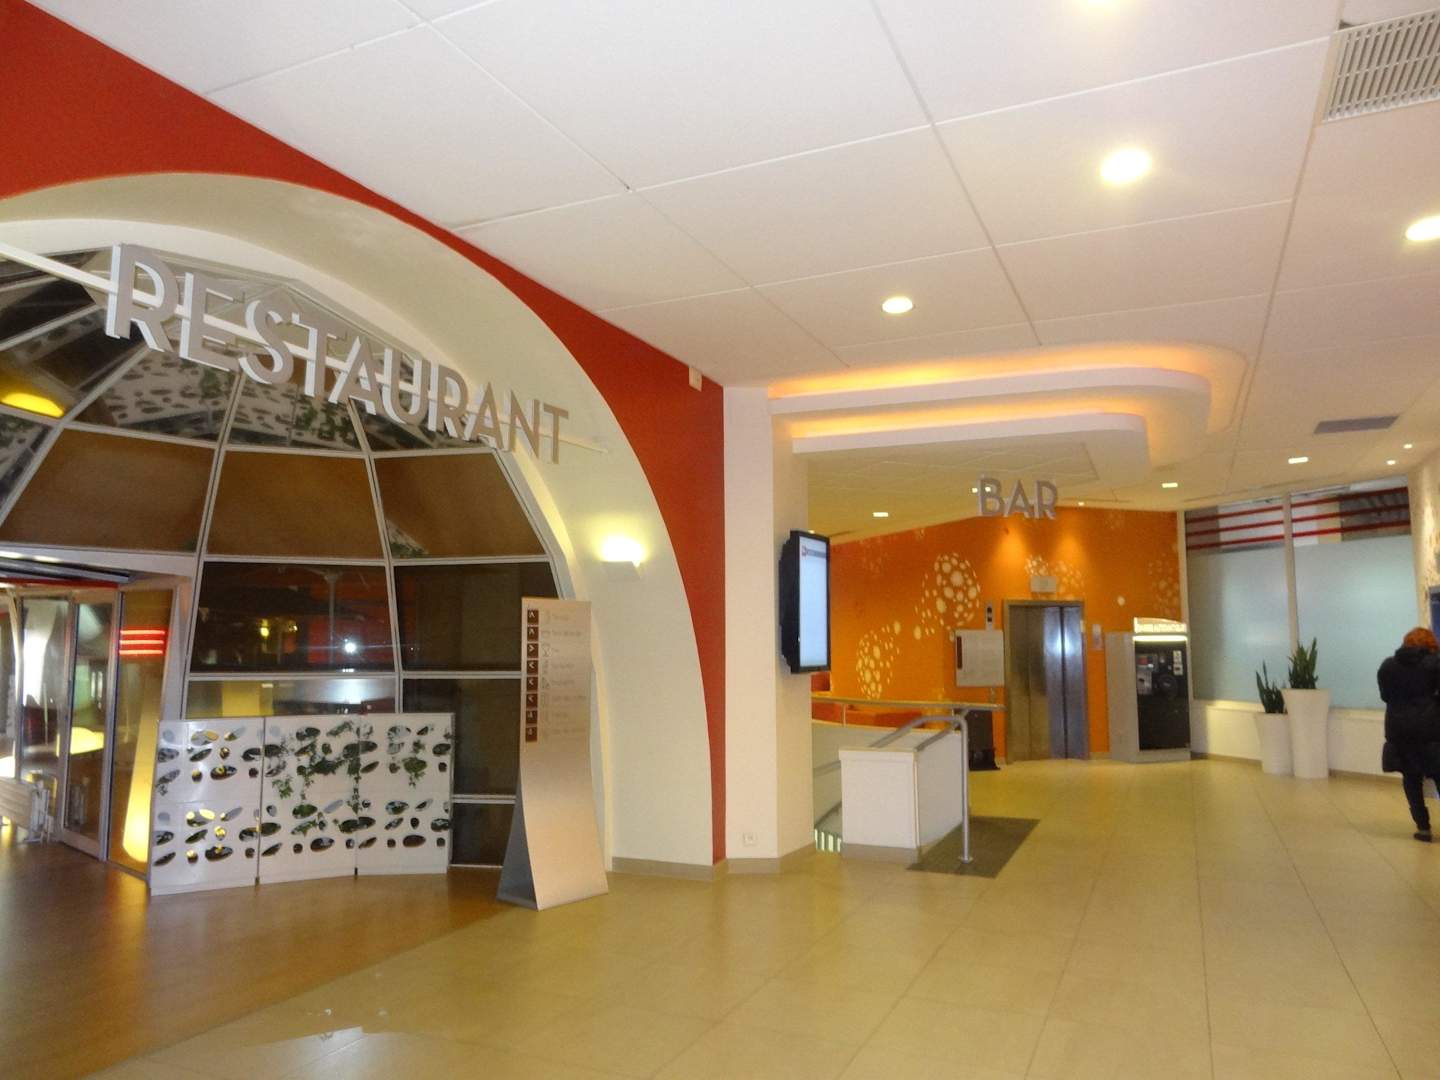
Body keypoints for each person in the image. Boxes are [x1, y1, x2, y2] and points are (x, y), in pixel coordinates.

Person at [1378, 627, 1440, 842]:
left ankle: (1423, 828)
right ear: (1430, 644)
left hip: (1400, 731)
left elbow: (1385, 696)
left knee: (1411, 779)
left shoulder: (1388, 666)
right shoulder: (1435, 664)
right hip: (1431, 730)